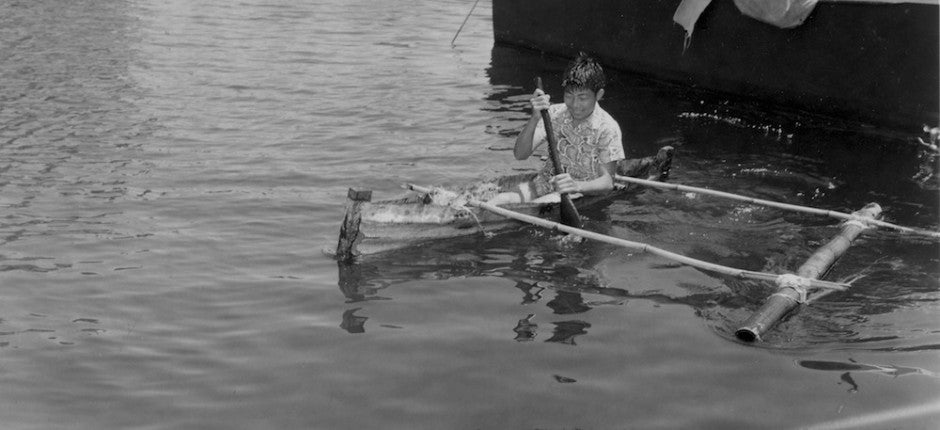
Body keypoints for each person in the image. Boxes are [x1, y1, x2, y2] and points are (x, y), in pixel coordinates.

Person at [489, 52, 625, 205]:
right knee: (500, 200)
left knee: (541, 204)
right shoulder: (553, 113)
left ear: (599, 95)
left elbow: (607, 183)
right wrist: (534, 118)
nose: (574, 105)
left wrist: (576, 186)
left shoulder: (607, 128)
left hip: (580, 191)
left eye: (582, 98)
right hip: (546, 182)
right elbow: (520, 154)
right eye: (569, 96)